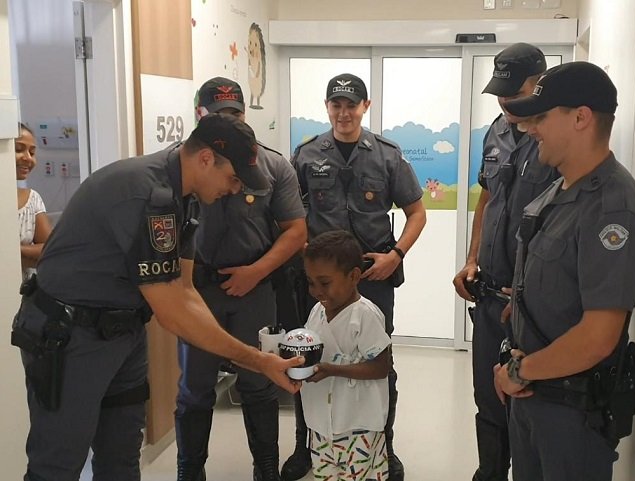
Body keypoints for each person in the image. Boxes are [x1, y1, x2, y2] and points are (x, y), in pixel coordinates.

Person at [11, 113, 303, 481]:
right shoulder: (144, 192)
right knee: (58, 463)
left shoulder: (186, 197)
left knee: (121, 459)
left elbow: (185, 289)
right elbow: (172, 311)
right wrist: (257, 361)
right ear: (206, 159)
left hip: (124, 332)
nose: (234, 189)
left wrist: (252, 358)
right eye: (233, 178)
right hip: (70, 337)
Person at [493, 61, 635, 481]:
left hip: (571, 417)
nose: (530, 129)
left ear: (581, 117)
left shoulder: (613, 209)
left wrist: (517, 373)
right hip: (533, 399)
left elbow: (598, 338)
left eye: (541, 117)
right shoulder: (557, 190)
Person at [283, 73, 426, 481]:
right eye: (336, 105)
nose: (343, 113)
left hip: (373, 275)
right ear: (327, 107)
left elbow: (417, 213)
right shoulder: (306, 155)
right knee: (307, 359)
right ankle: (305, 445)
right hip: (322, 281)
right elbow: (289, 214)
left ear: (366, 106)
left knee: (379, 362)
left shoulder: (387, 155)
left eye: (351, 105)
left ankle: (384, 446)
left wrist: (396, 255)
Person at [176, 77, 307, 481]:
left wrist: (257, 271)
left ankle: (265, 469)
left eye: (235, 113)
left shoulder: (272, 165)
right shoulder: (179, 165)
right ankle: (189, 471)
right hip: (198, 291)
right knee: (195, 388)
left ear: (244, 114)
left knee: (259, 381)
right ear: (200, 115)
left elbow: (296, 231)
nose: (228, 120)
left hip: (254, 289)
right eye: (219, 114)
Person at [451, 43, 558, 481]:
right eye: (500, 92)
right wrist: (471, 259)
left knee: (527, 400)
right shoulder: (494, 132)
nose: (506, 102)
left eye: (515, 92)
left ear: (540, 83)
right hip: (491, 295)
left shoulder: (554, 135)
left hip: (533, 303)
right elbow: (488, 199)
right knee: (488, 398)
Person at [302, 230, 392, 480]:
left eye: (325, 283)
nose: (317, 291)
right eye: (311, 282)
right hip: (321, 425)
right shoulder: (316, 313)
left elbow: (380, 367)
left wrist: (332, 370)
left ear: (354, 276)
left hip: (358, 426)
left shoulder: (364, 315)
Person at [15, 122, 52, 278]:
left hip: (22, 289)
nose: (28, 158)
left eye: (32, 152)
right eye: (18, 149)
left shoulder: (32, 199)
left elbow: (50, 251)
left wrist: (13, 251)